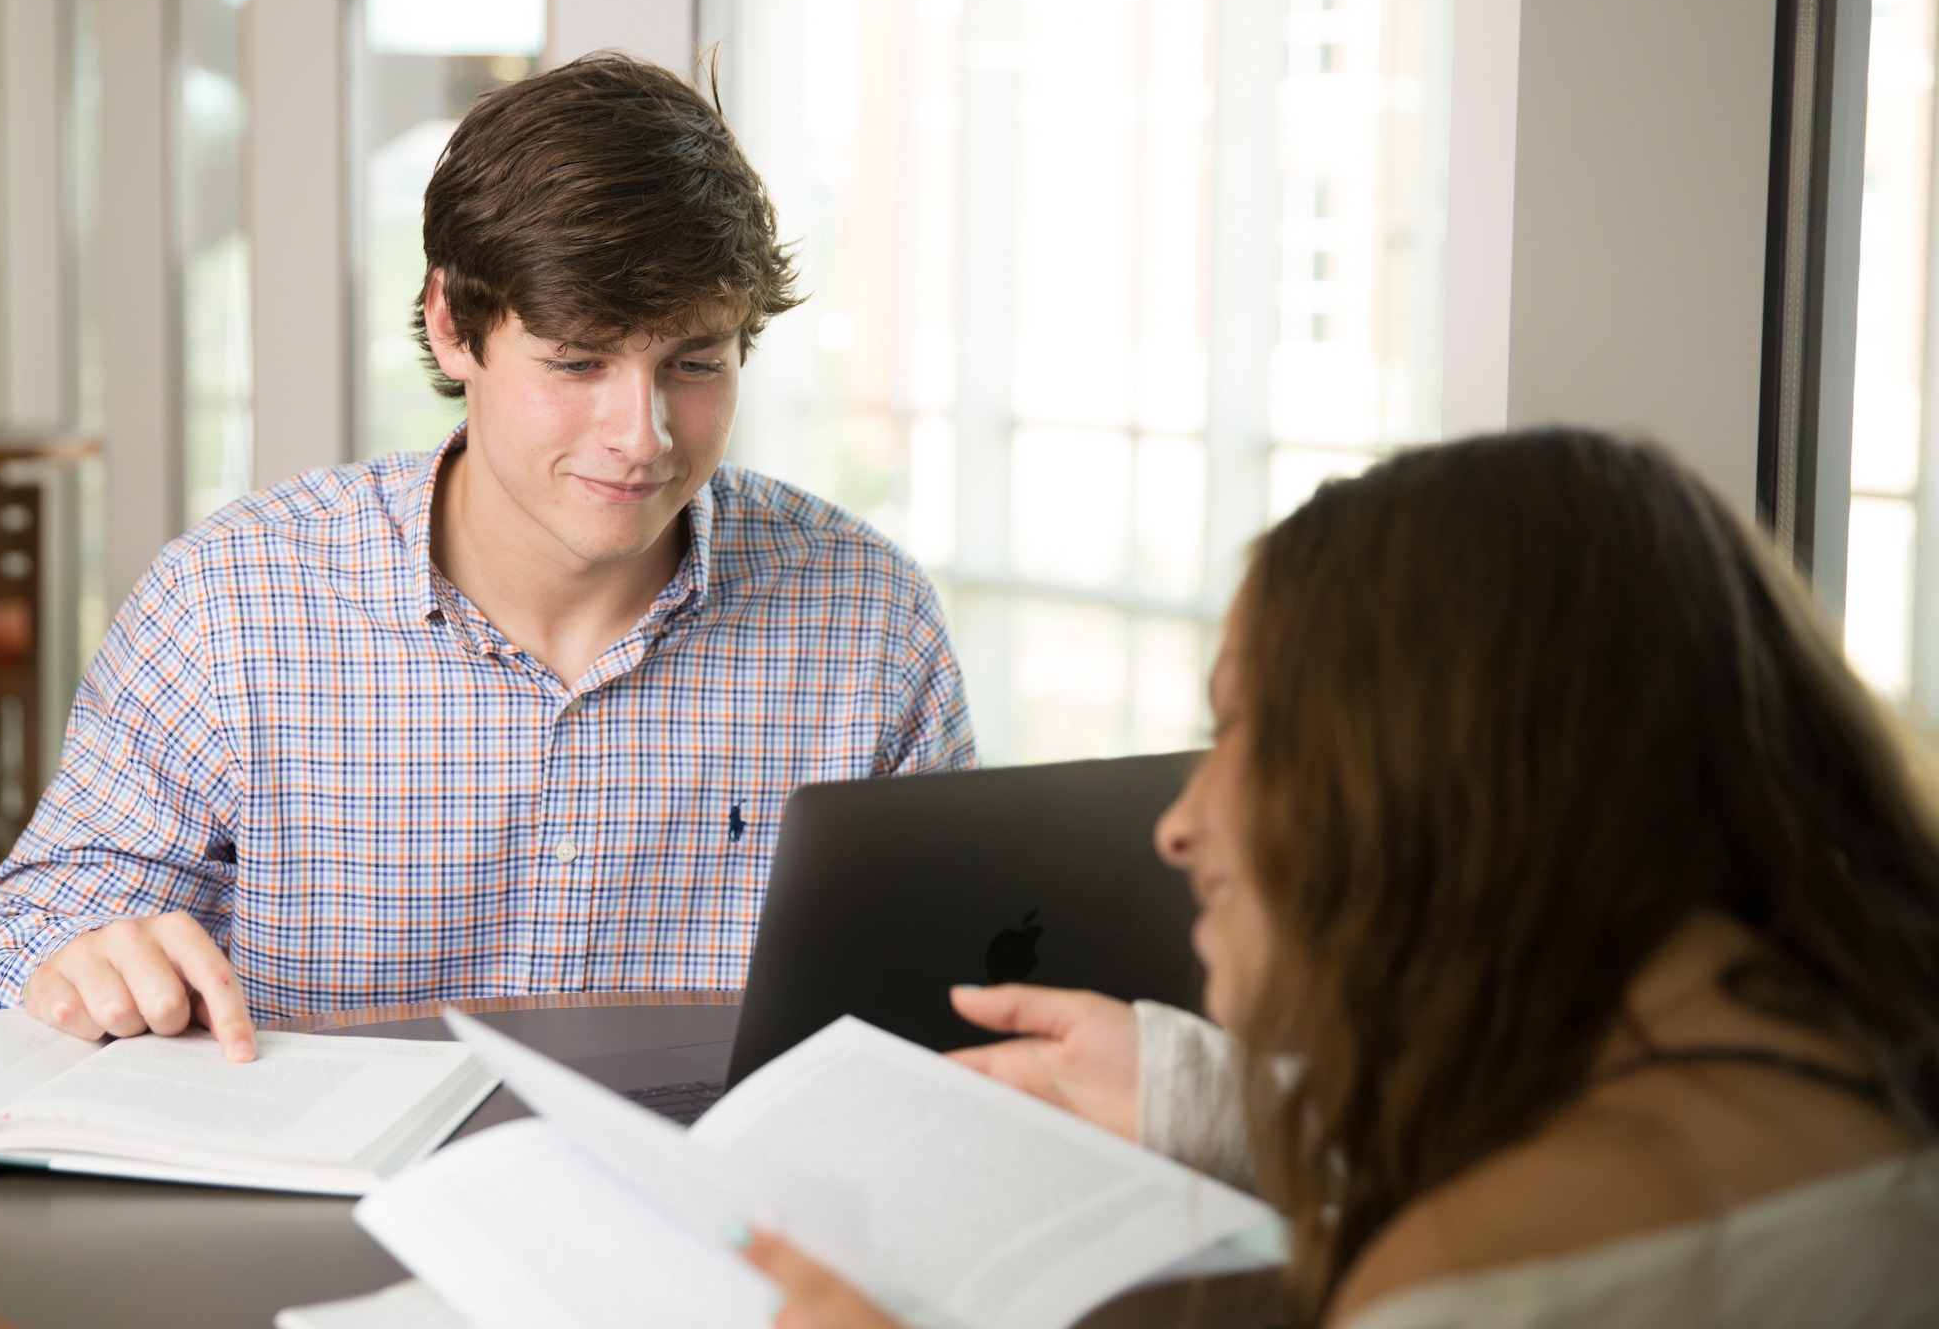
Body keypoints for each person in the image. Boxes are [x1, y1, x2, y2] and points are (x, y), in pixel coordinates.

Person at [738, 429, 1939, 1326]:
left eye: (1249, 729)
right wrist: (1196, 1095)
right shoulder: (1862, 1093)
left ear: (1445, 771)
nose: (1179, 823)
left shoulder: (1466, 1282)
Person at [0, 53, 976, 1055]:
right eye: (578, 362)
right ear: (452, 327)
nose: (642, 435)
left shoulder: (870, 621)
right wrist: (72, 971)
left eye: (695, 365)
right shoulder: (231, 604)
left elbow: (957, 1004)